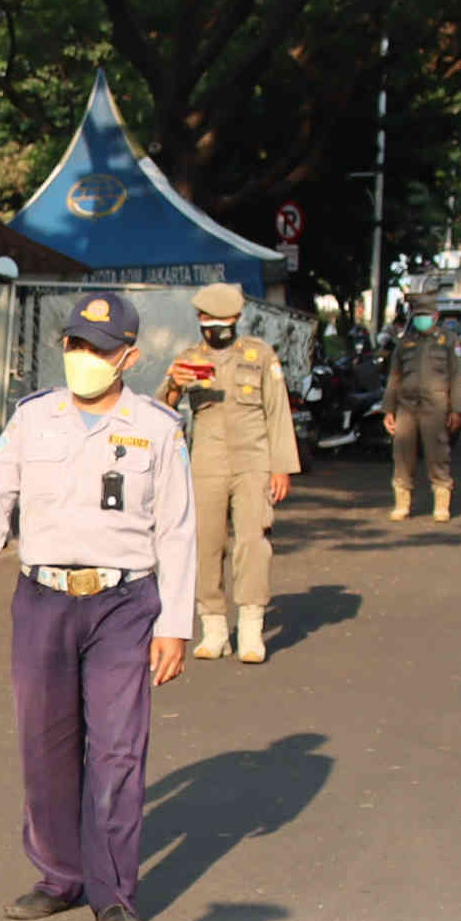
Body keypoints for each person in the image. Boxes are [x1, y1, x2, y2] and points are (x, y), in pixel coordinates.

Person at [0, 289, 192, 921]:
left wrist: (175, 622)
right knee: (44, 744)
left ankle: (113, 893)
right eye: (74, 344)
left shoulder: (156, 428)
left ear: (129, 356)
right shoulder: (33, 420)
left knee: (117, 750)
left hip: (124, 605)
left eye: (99, 349)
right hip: (43, 599)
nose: (84, 357)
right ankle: (58, 875)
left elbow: (177, 529)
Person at [162, 279, 292, 660]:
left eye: (221, 318)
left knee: (253, 543)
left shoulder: (259, 355)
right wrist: (173, 384)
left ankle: (251, 630)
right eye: (207, 318)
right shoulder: (188, 359)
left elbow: (278, 412)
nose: (214, 324)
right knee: (206, 544)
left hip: (254, 463)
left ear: (236, 318)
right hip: (206, 464)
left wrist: (281, 468)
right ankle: (213, 626)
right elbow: (163, 412)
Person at [384, 293, 461, 522]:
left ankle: (441, 502)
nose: (421, 320)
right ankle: (402, 503)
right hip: (406, 406)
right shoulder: (405, 343)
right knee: (402, 453)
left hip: (436, 406)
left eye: (425, 316)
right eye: (417, 316)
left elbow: (457, 376)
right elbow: (394, 377)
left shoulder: (447, 341)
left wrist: (456, 409)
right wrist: (388, 410)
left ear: (435, 316)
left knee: (437, 453)